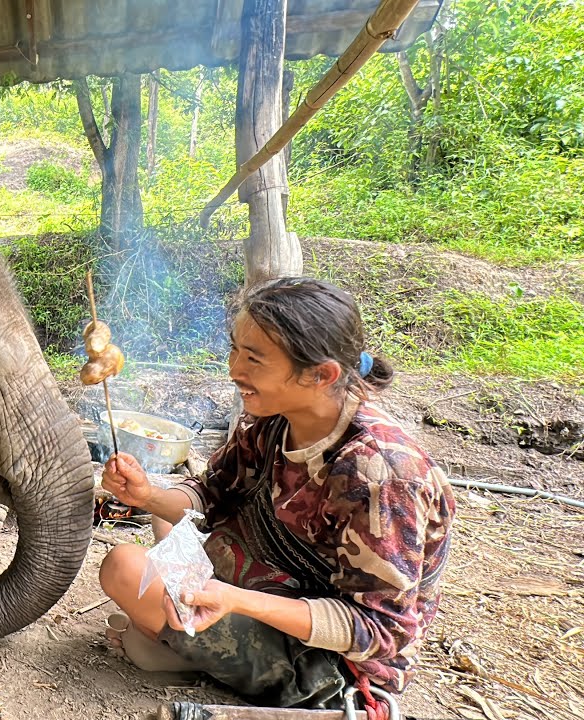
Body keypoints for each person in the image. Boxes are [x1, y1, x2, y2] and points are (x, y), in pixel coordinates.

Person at [98, 277, 455, 711]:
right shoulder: (272, 422)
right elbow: (212, 496)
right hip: (259, 581)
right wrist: (149, 495)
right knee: (162, 520)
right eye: (235, 349)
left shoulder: (380, 476)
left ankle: (188, 652)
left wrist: (234, 600)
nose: (234, 369)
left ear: (321, 374)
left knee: (125, 566)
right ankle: (186, 642)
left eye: (254, 359)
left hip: (327, 662)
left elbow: (377, 631)